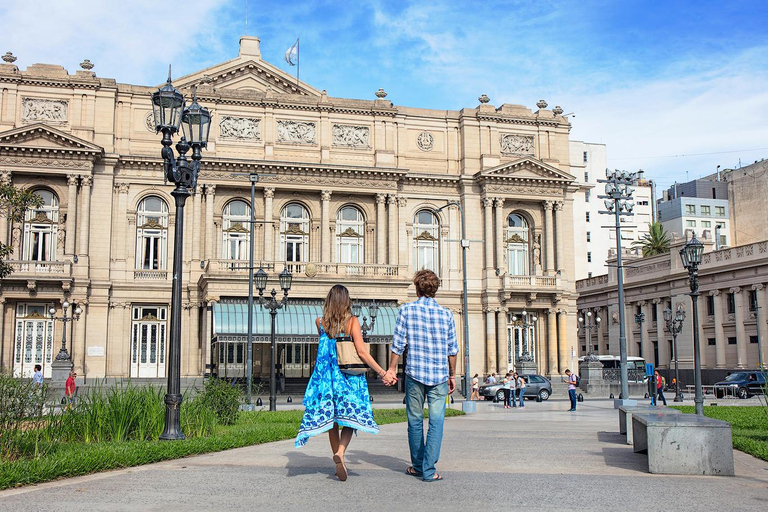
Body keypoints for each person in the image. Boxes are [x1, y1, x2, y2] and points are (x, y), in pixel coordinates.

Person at [295, 284, 395, 482]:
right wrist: (383, 372)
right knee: (351, 415)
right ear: (346, 301)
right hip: (348, 377)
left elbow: (327, 349)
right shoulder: (352, 322)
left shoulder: (320, 322)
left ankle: (337, 461)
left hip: (327, 379)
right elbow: (362, 352)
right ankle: (341, 452)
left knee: (332, 420)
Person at [386, 269, 459, 482]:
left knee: (415, 421)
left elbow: (398, 345)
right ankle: (428, 470)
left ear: (417, 288)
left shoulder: (406, 310)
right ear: (435, 290)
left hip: (415, 375)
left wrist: (391, 369)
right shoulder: (446, 314)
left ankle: (418, 466)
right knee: (437, 422)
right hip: (439, 376)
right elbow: (452, 350)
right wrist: (452, 375)